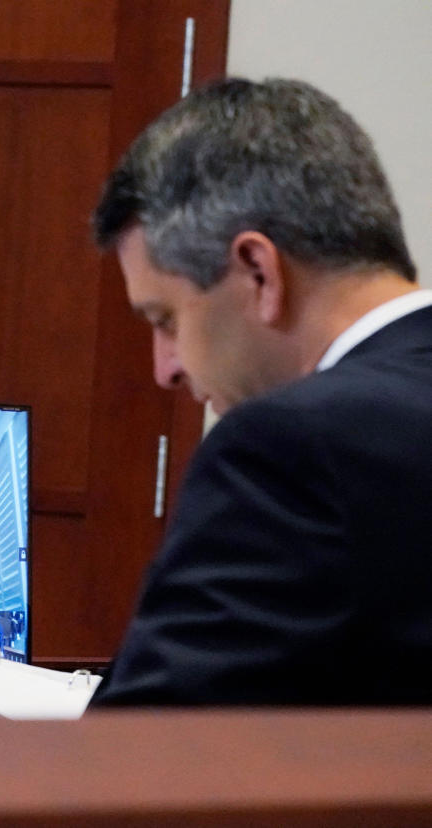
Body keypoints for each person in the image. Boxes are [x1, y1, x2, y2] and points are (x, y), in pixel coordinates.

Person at [88, 77, 432, 705]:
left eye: (166, 321)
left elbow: (131, 766)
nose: (165, 368)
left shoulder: (289, 451)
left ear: (258, 272)